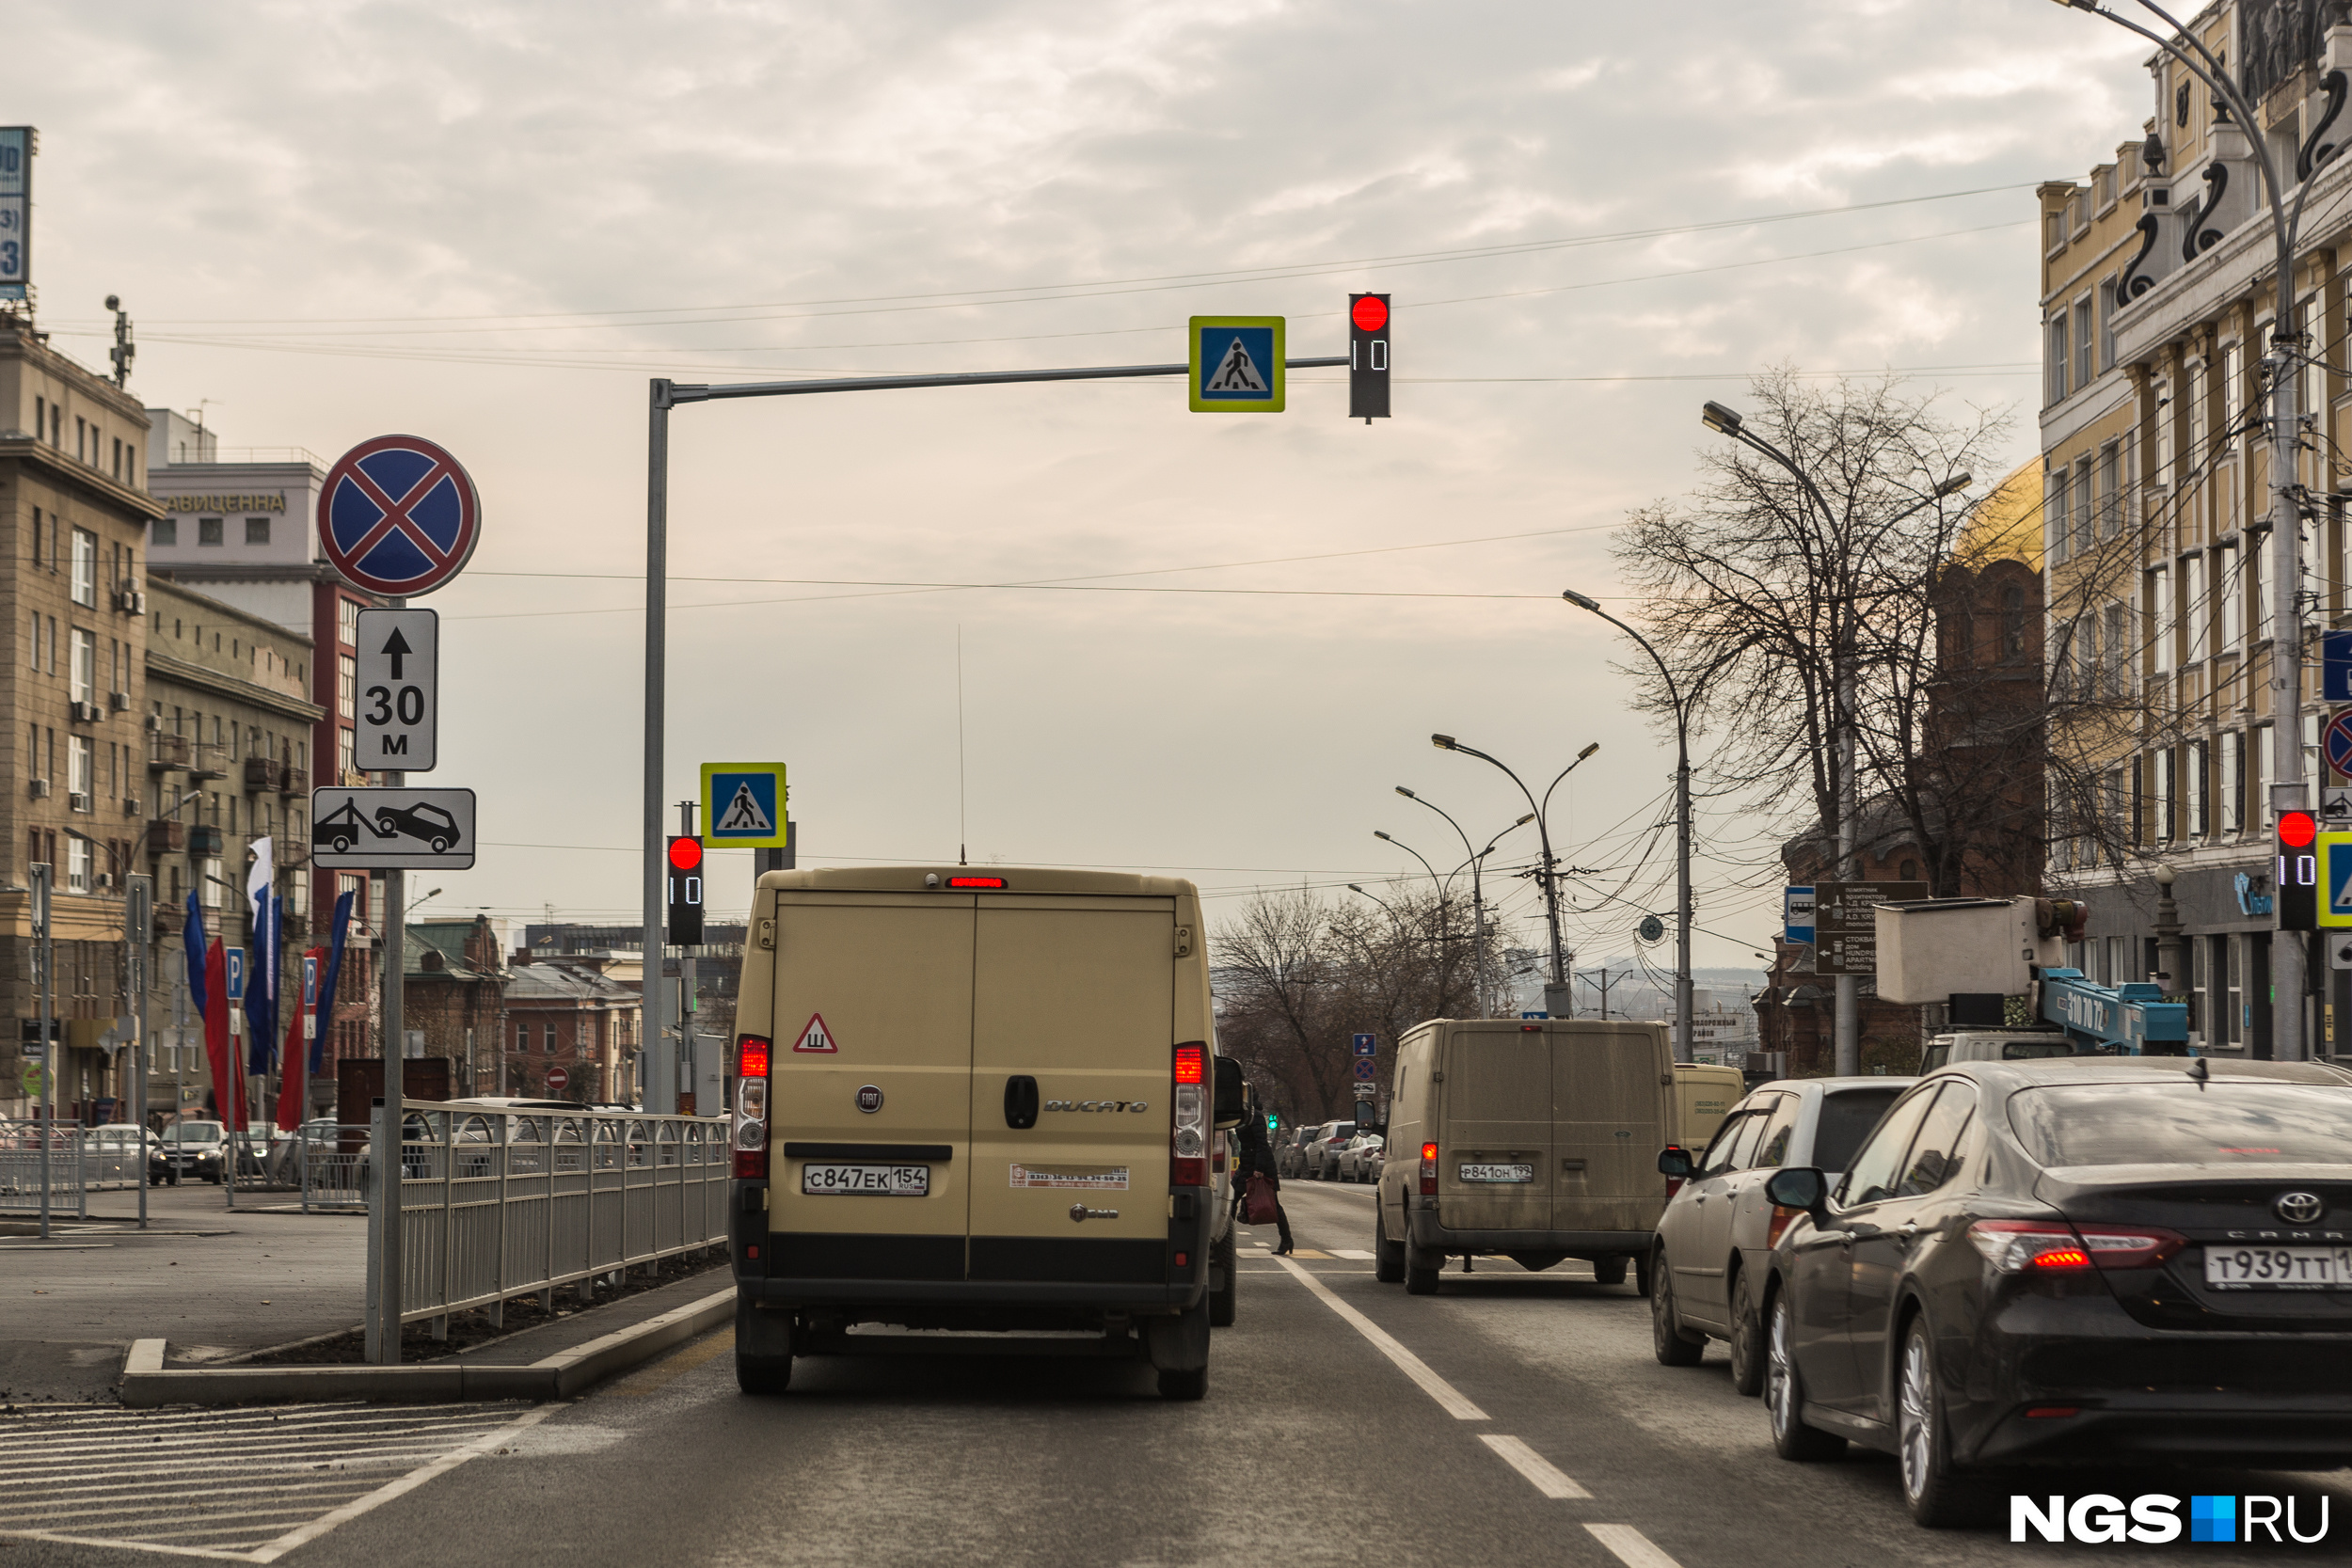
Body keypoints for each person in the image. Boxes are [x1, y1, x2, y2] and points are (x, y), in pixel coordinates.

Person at [1233, 1113, 1293, 1256]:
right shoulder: (1244, 1113)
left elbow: (1261, 1143)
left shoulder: (1255, 1116)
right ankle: (1287, 1241)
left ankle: (1287, 1240)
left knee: (1273, 1204)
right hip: (1247, 1163)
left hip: (1259, 1166)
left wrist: (1259, 1168)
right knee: (1231, 1199)